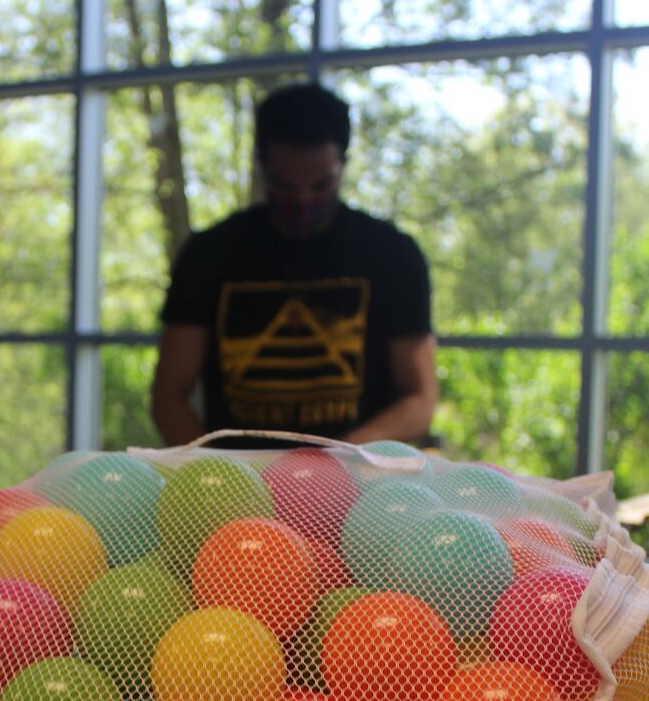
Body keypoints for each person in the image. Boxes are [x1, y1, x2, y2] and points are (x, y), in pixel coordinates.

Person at [150, 81, 437, 447]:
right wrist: (215, 474)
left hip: (362, 486)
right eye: (284, 186)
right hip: (240, 490)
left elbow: (420, 399)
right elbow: (168, 397)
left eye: (320, 185)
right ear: (262, 167)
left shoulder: (393, 254)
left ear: (342, 165)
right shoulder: (209, 254)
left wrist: (339, 462)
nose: (303, 199)